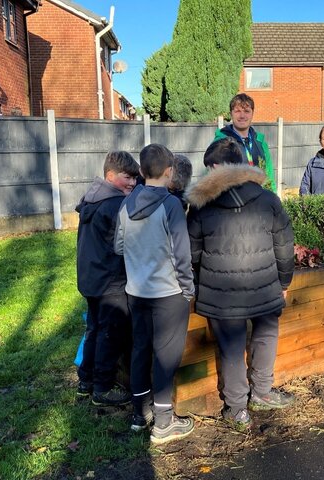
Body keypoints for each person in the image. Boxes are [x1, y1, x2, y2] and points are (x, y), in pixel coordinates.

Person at [186, 137, 295, 431]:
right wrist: (284, 281)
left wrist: (200, 284)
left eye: (210, 167)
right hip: (265, 286)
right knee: (265, 337)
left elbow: (192, 253)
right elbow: (284, 245)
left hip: (221, 294)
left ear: (219, 167)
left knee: (231, 349)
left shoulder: (200, 205)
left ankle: (236, 409)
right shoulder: (267, 198)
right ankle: (261, 392)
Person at [114, 144, 196, 444]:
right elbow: (181, 254)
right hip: (168, 294)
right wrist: (188, 288)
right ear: (169, 171)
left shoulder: (127, 204)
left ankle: (140, 413)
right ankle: (164, 422)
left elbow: (118, 246)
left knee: (140, 349)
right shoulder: (171, 205)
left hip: (136, 291)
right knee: (166, 355)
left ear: (141, 171)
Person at [75, 151, 139, 406]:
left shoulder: (91, 199)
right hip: (110, 281)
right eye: (128, 177)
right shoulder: (115, 206)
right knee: (110, 335)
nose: (133, 183)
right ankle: (102, 388)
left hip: (90, 278)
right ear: (110, 175)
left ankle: (86, 381)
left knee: (94, 329)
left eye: (135, 178)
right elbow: (126, 244)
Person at [214, 93, 276, 192]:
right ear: (231, 114)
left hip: (259, 201)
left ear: (252, 113)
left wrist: (273, 200)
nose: (242, 116)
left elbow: (269, 177)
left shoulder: (260, 141)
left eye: (247, 111)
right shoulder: (220, 142)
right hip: (233, 203)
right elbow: (212, 179)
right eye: (237, 111)